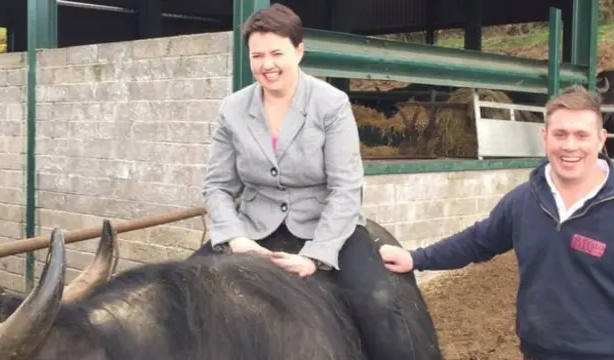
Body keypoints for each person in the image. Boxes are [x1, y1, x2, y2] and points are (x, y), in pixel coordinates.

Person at [194, 3, 419, 359]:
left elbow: (346, 188)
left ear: (298, 51)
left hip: (326, 225)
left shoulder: (331, 104)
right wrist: (234, 238)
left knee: (377, 303)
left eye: (276, 53)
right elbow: (217, 185)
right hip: (254, 227)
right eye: (257, 55)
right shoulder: (232, 109)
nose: (267, 65)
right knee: (186, 290)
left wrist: (316, 255)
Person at [379, 84, 614, 360]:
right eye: (560, 134)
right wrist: (415, 258)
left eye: (581, 135)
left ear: (600, 140)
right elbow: (477, 241)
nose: (569, 145)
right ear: (545, 137)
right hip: (538, 352)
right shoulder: (524, 200)